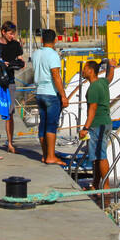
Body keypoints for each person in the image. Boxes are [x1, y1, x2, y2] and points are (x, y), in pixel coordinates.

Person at [32, 28, 69, 165]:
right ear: (55, 40)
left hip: (39, 92)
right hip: (50, 93)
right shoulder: (53, 54)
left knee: (43, 124)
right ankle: (51, 156)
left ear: (42, 40)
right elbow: (55, 75)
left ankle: (45, 154)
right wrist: (63, 96)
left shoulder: (36, 53)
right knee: (51, 125)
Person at [77, 60, 112, 194]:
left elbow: (92, 109)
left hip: (97, 124)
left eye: (84, 68)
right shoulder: (102, 82)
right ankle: (96, 184)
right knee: (96, 156)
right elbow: (109, 78)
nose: (83, 71)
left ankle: (106, 187)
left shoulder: (93, 88)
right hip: (106, 122)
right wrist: (112, 67)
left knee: (101, 155)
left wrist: (85, 128)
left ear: (90, 70)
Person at [0, 21, 24, 153]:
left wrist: (19, 63)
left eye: (13, 34)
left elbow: (21, 59)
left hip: (10, 81)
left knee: (10, 113)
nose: (12, 36)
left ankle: (10, 143)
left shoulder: (16, 44)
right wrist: (1, 64)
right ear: (3, 32)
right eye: (10, 33)